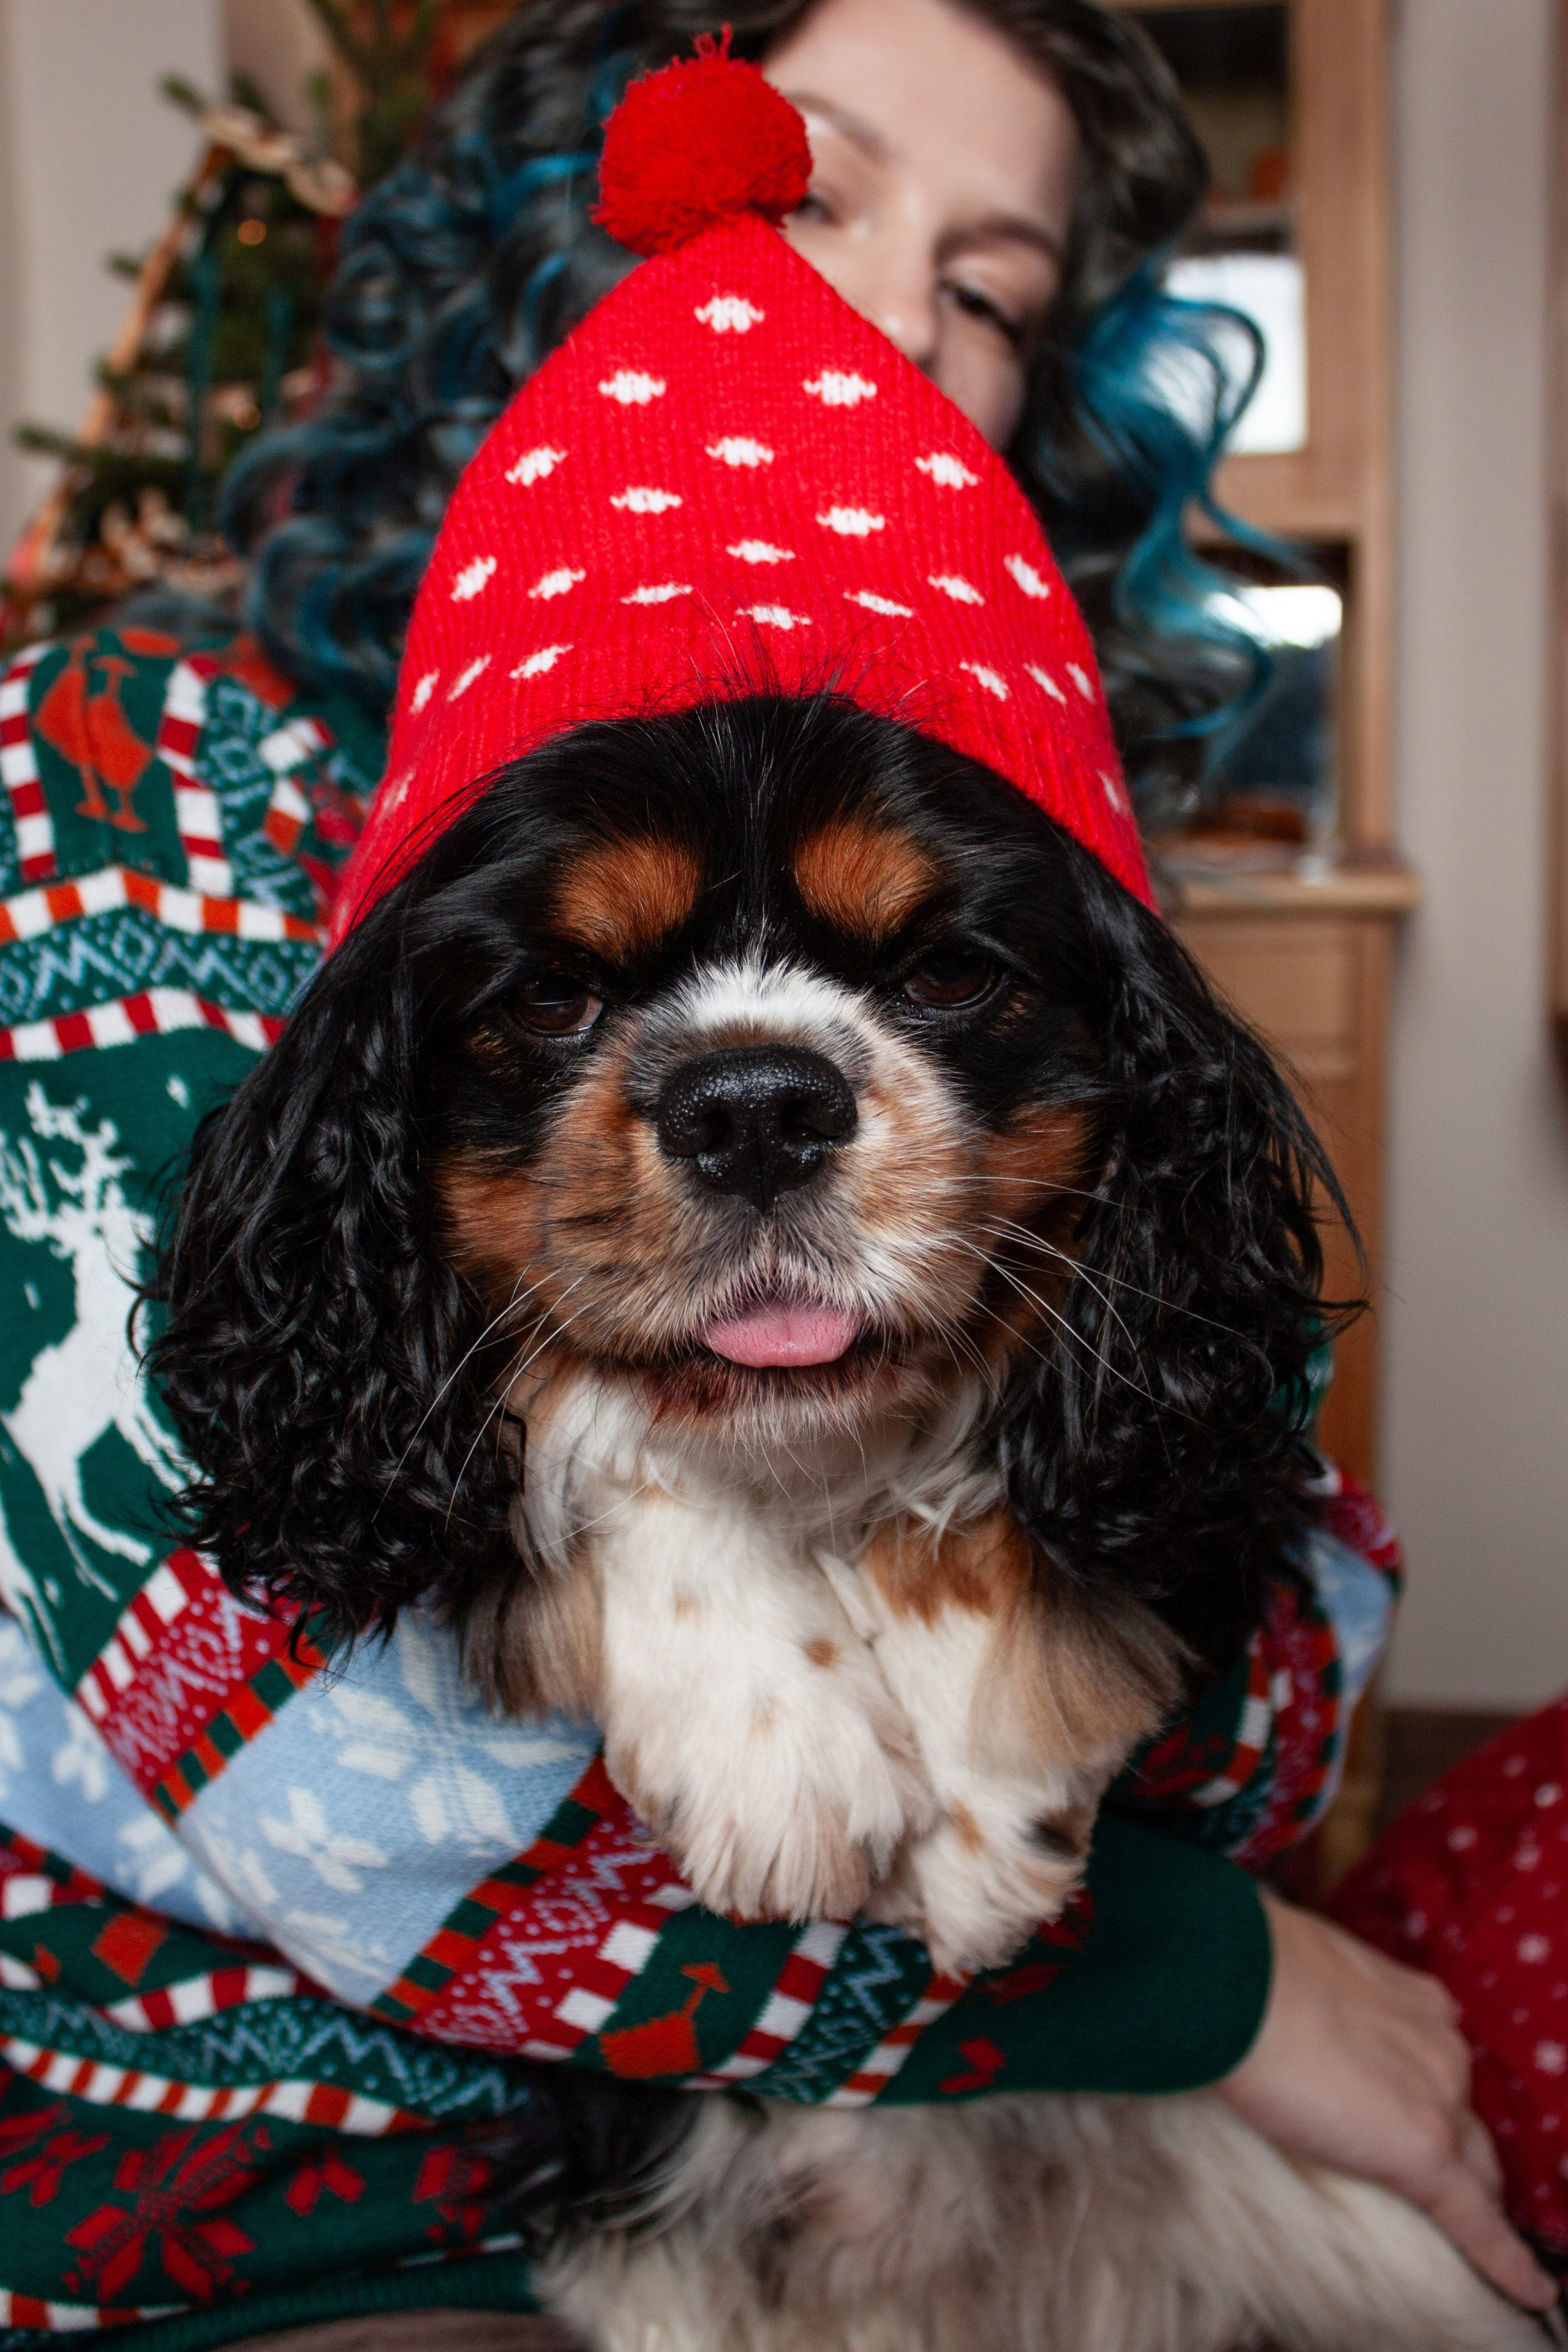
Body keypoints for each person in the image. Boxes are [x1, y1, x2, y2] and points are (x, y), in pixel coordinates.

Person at [0, 0, 1552, 2338]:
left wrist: (976, 1575)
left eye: (996, 288)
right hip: (296, 2187)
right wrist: (1216, 1983)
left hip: (987, 2172)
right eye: (810, 187)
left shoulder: (1019, 828)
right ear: (557, 198)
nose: (892, 318)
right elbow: (340, 1764)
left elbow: (1287, 1663)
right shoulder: (127, 785)